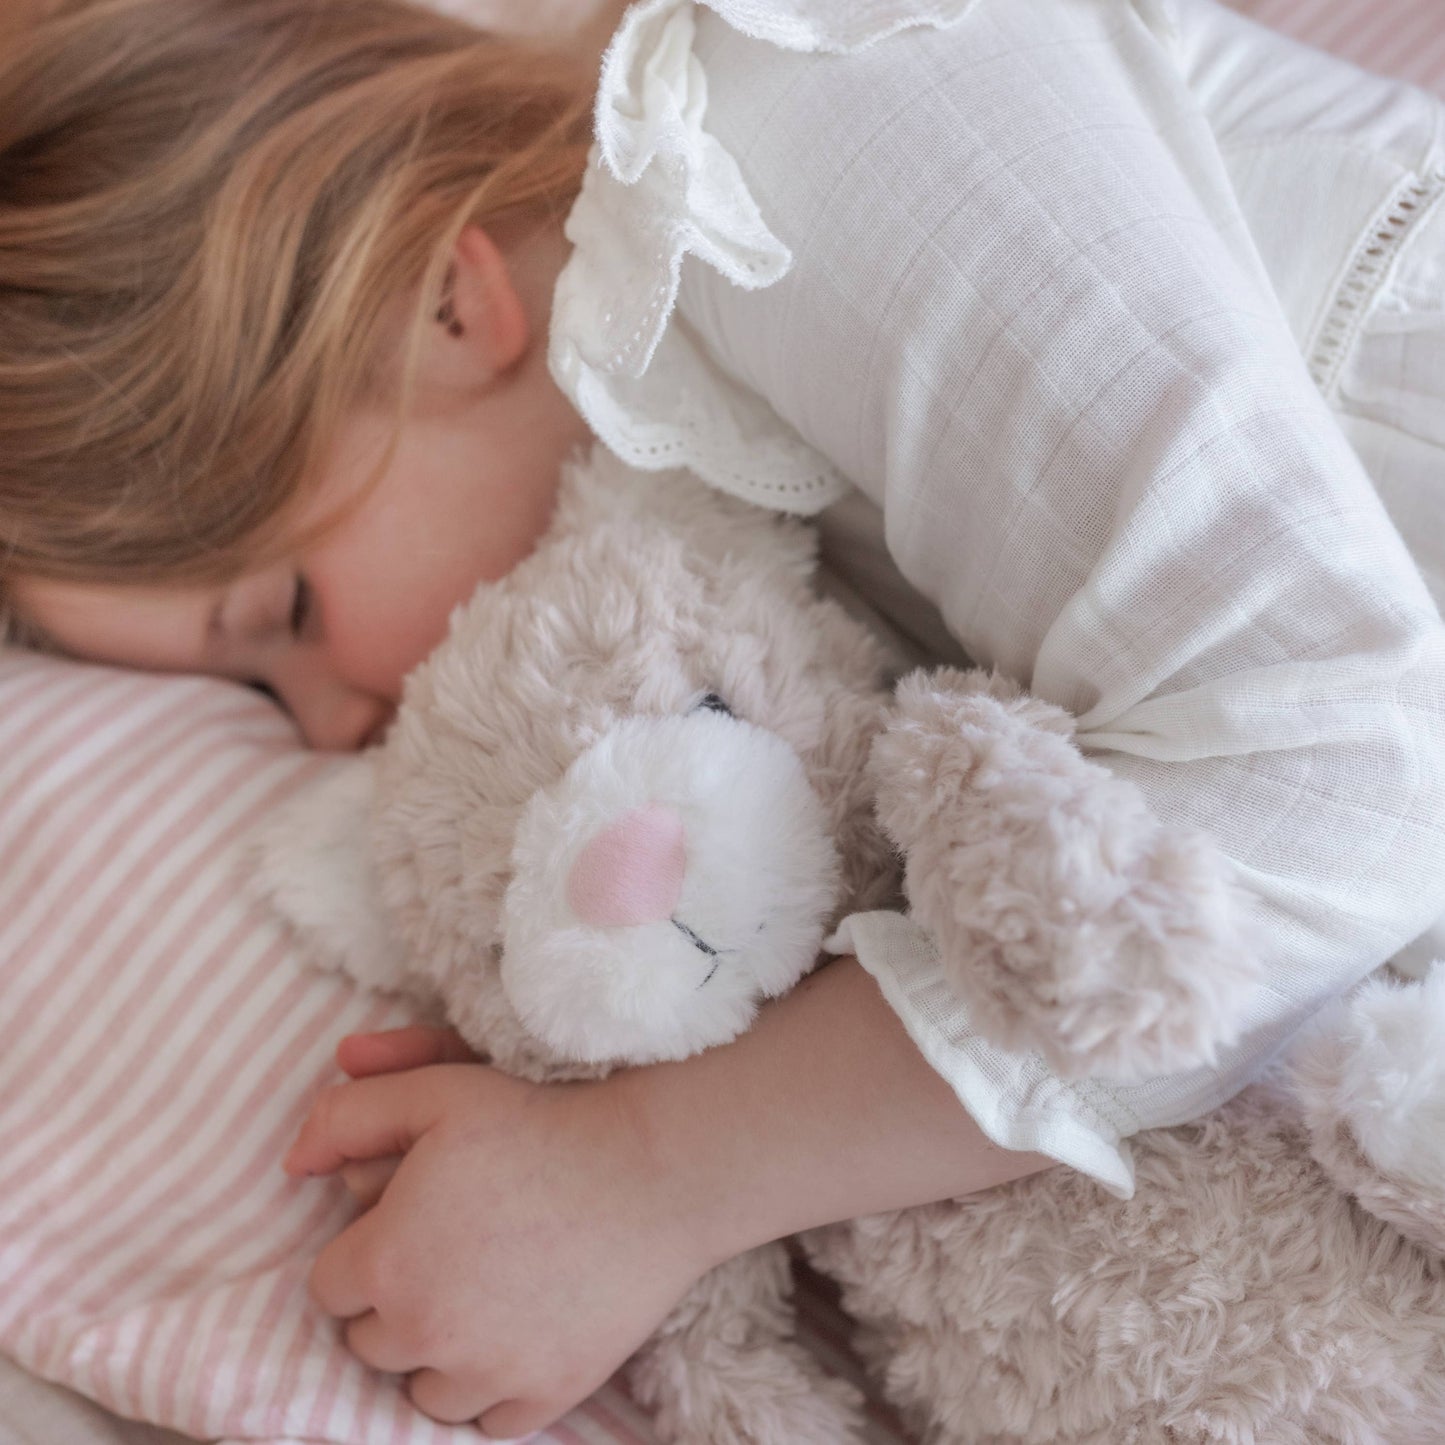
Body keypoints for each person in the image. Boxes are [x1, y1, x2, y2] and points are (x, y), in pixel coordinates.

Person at [3, 0, 1444, 1436]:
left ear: (439, 306)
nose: (322, 732)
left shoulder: (804, 118)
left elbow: (1342, 775)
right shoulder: (725, 552)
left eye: (285, 619)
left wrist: (647, 1167)